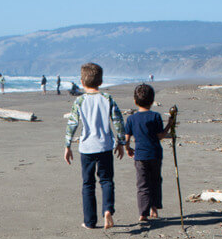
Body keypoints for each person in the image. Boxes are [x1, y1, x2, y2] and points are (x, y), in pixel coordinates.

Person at [63, 62, 125, 229]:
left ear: (82, 82)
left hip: (87, 147)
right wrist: (121, 142)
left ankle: (90, 221)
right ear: (101, 81)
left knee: (88, 184)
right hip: (105, 145)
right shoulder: (107, 99)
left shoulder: (80, 101)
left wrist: (67, 145)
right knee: (106, 180)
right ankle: (107, 210)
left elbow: (72, 124)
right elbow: (118, 121)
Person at [123, 83, 170, 222]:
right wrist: (170, 124)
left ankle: (143, 213)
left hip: (140, 155)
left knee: (142, 184)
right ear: (152, 101)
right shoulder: (155, 116)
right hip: (155, 154)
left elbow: (126, 138)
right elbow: (160, 136)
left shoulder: (131, 119)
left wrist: (127, 148)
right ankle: (154, 208)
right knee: (155, 181)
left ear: (135, 101)